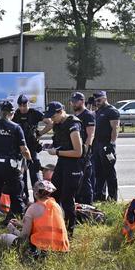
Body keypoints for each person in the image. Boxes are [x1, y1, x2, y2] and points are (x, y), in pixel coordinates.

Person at [0, 100, 32, 235]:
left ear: (0, 112)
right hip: (10, 168)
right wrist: (30, 160)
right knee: (16, 197)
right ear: (12, 113)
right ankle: (17, 227)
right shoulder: (16, 127)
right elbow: (24, 149)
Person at [43, 101, 84, 235]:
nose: (51, 119)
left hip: (74, 165)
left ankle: (70, 231)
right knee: (53, 193)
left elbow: (78, 152)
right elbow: (61, 143)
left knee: (67, 199)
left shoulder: (73, 124)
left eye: (53, 116)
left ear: (61, 112)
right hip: (62, 162)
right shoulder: (58, 124)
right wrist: (50, 147)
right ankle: (54, 224)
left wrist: (57, 152)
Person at [0, 180, 70, 256]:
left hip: (41, 250)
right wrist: (20, 224)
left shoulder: (32, 208)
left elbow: (24, 236)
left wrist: (14, 230)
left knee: (3, 237)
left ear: (35, 193)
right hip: (62, 251)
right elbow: (46, 226)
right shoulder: (57, 206)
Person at [12, 95, 45, 198]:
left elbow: (50, 122)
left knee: (34, 174)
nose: (22, 107)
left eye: (24, 105)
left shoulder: (34, 113)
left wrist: (40, 133)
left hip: (32, 147)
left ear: (28, 104)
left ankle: (38, 198)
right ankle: (24, 198)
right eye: (20, 105)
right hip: (19, 147)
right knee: (21, 175)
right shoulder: (15, 114)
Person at [92, 91, 120, 201]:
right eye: (95, 101)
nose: (97, 103)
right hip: (97, 144)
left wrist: (111, 143)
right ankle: (100, 196)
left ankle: (113, 197)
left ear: (105, 98)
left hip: (107, 145)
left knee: (109, 171)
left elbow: (115, 128)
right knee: (98, 172)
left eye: (99, 100)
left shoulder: (112, 111)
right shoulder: (98, 111)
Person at [70, 92, 96, 204]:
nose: (73, 104)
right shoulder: (76, 116)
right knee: (77, 182)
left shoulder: (88, 115)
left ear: (82, 101)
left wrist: (85, 150)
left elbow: (91, 135)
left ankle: (89, 207)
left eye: (76, 101)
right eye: (72, 101)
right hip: (76, 152)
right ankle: (79, 204)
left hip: (84, 154)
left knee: (85, 182)